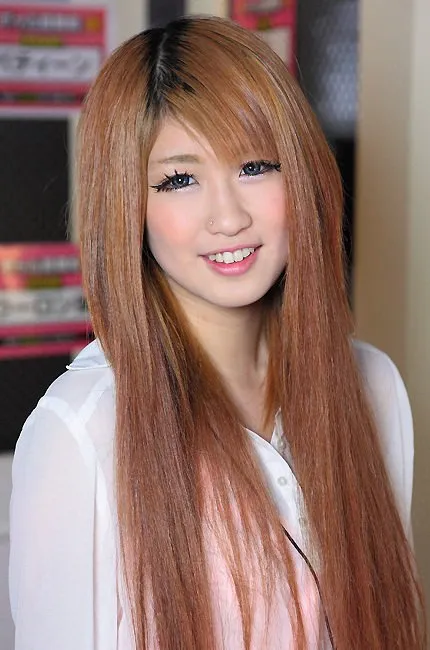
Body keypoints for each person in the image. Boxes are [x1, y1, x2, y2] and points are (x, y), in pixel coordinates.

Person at [8, 15, 426, 650]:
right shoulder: (82, 434)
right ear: (129, 207)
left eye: (255, 166)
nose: (227, 217)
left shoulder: (375, 388)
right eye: (179, 179)